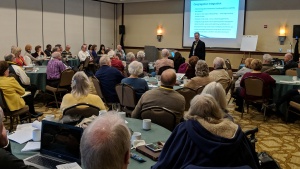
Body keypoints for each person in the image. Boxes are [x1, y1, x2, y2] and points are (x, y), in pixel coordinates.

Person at [152, 94, 260, 169]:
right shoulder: (237, 133)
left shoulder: (184, 130)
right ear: (217, 110)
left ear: (192, 110)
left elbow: (167, 162)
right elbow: (253, 163)